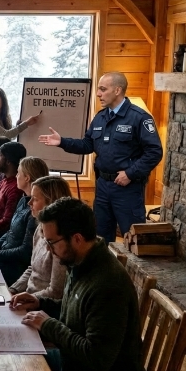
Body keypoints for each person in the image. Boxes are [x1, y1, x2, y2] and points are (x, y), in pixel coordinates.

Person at [11, 197, 147, 371]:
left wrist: (48, 324)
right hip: (71, 363)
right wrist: (40, 303)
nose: (49, 250)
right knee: (16, 359)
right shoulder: (78, 261)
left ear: (77, 239)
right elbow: (78, 312)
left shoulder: (108, 285)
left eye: (51, 242)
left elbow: (97, 359)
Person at [38, 72, 163, 244]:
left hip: (127, 189)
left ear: (117, 90)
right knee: (99, 238)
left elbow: (154, 152)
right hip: (103, 186)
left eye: (103, 89)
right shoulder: (100, 117)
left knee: (133, 240)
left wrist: (130, 173)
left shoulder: (139, 117)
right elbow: (87, 145)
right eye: (98, 89)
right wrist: (62, 142)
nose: (98, 94)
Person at [0, 156, 49, 286]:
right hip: (3, 257)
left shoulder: (34, 212)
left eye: (18, 173)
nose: (16, 176)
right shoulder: (23, 200)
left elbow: (24, 251)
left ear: (27, 178)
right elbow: (10, 231)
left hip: (13, 267)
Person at [9, 175, 71, 299]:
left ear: (51, 203)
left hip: (41, 303)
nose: (29, 203)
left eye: (35, 199)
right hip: (29, 296)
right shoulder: (40, 228)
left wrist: (29, 299)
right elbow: (32, 269)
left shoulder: (60, 240)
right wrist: (13, 289)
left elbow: (56, 291)